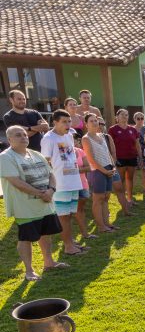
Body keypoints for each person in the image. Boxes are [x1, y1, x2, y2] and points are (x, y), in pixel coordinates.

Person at [0, 125, 67, 281]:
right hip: (25, 207)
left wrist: (51, 190)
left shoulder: (36, 154)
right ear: (9, 139)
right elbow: (15, 181)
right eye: (18, 135)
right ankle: (29, 271)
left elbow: (51, 174)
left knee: (45, 233)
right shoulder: (5, 157)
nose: (23, 137)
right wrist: (40, 194)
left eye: (24, 134)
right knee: (26, 237)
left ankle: (49, 262)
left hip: (45, 202)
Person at [40, 109, 86, 256]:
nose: (67, 124)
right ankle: (68, 246)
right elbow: (45, 162)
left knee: (69, 214)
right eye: (64, 122)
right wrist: (50, 185)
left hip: (73, 181)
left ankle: (71, 242)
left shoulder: (69, 136)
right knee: (63, 216)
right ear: (55, 122)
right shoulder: (49, 138)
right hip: (60, 184)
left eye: (69, 121)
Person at [82, 114, 117, 233]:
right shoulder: (86, 139)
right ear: (86, 124)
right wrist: (104, 171)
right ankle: (101, 226)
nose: (94, 123)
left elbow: (108, 154)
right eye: (91, 121)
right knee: (98, 199)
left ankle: (107, 224)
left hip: (108, 168)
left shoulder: (102, 135)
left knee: (106, 197)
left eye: (96, 121)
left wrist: (112, 167)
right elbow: (91, 159)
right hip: (97, 171)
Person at [98, 116, 133, 219]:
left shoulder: (107, 137)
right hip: (99, 169)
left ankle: (126, 211)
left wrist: (112, 165)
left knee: (119, 189)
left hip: (111, 167)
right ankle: (105, 215)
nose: (101, 126)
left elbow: (113, 153)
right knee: (104, 194)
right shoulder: (89, 138)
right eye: (98, 123)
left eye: (102, 124)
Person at [108, 109, 142, 205]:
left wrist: (140, 157)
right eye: (122, 115)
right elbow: (110, 145)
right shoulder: (112, 129)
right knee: (121, 179)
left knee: (130, 179)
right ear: (117, 117)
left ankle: (130, 199)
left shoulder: (133, 129)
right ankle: (122, 201)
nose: (124, 116)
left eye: (126, 115)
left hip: (132, 157)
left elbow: (137, 144)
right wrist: (113, 159)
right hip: (119, 158)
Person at [72, 133, 93, 240]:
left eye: (75, 139)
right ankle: (70, 239)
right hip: (70, 186)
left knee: (80, 209)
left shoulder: (80, 151)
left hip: (83, 184)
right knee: (69, 212)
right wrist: (80, 169)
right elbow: (64, 170)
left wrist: (74, 170)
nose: (74, 141)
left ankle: (85, 234)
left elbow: (89, 168)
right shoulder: (63, 152)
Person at [133, 112, 145, 198]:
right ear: (135, 119)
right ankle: (131, 189)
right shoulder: (132, 129)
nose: (140, 120)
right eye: (138, 118)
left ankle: (144, 188)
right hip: (135, 153)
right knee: (134, 171)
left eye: (142, 118)